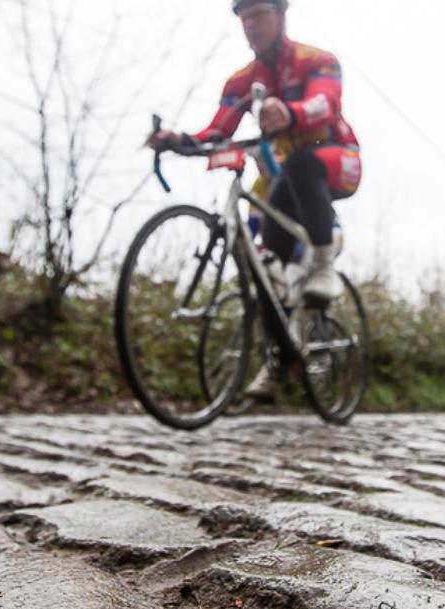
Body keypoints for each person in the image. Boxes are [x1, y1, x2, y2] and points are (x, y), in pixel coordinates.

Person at [148, 0, 361, 402]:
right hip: (288, 182)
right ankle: (281, 361)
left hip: (336, 158)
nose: (252, 26)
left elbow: (325, 104)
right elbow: (218, 130)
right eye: (245, 19)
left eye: (259, 15)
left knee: (300, 162)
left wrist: (292, 112)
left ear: (281, 16)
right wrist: (179, 142)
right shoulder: (241, 81)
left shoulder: (317, 60)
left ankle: (323, 265)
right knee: (263, 265)